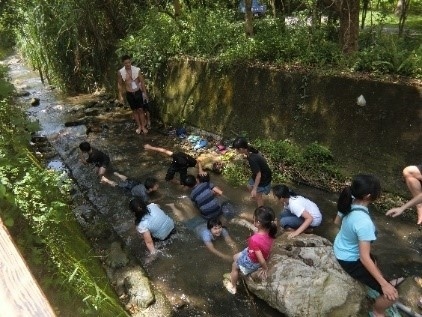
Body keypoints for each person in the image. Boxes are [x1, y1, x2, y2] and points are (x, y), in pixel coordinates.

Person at [333, 174, 399, 317]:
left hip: (339, 246)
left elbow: (336, 223)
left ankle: (378, 283)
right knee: (392, 295)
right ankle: (377, 312)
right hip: (349, 259)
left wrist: (350, 235)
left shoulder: (348, 201)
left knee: (374, 260)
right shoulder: (364, 222)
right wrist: (384, 284)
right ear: (368, 196)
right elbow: (364, 258)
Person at [223, 206, 277, 295]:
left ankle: (233, 287)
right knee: (235, 256)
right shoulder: (271, 230)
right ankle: (236, 273)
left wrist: (265, 268)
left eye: (254, 218)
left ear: (258, 222)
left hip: (253, 261)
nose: (253, 220)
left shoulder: (254, 239)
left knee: (234, 265)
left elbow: (260, 258)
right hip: (255, 252)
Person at [232, 137, 272, 207]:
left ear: (241, 149)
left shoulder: (252, 159)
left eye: (236, 149)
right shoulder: (250, 149)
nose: (235, 150)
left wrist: (255, 189)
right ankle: (256, 196)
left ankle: (261, 210)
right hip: (262, 173)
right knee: (249, 186)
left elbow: (259, 175)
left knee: (258, 196)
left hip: (264, 178)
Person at [117, 55, 150, 135]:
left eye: (129, 62)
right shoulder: (120, 72)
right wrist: (120, 96)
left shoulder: (136, 70)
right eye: (126, 63)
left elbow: (142, 82)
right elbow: (120, 84)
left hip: (137, 92)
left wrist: (145, 93)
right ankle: (139, 126)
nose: (128, 64)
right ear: (123, 64)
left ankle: (143, 126)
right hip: (129, 93)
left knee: (141, 109)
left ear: (130, 62)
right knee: (134, 111)